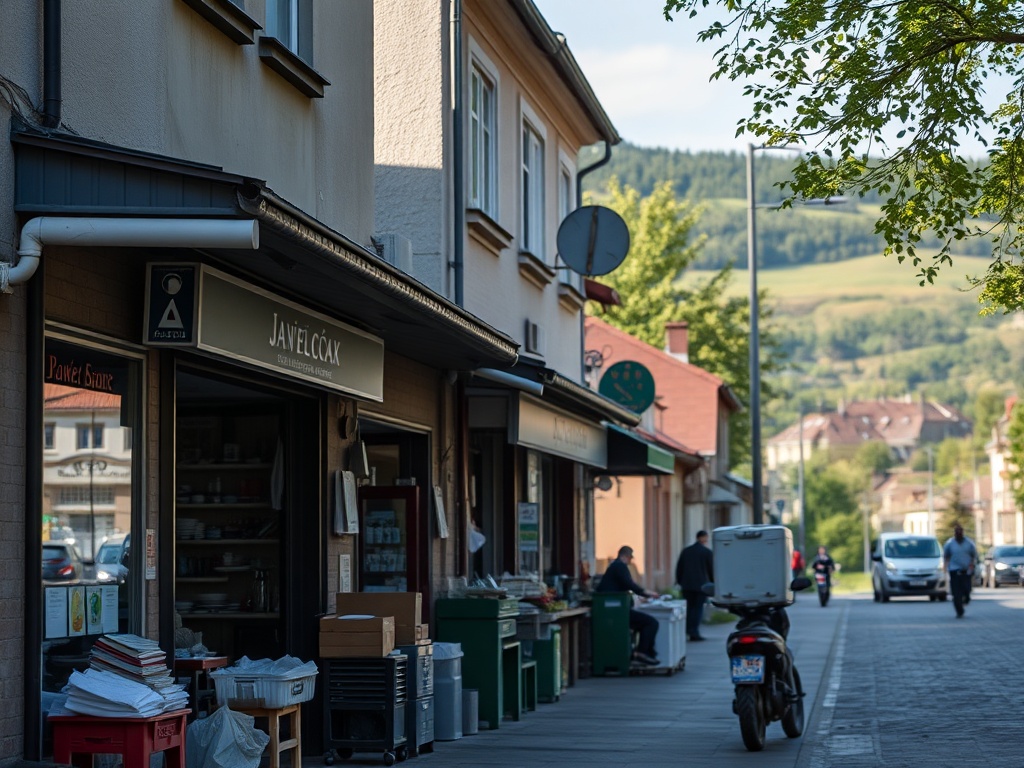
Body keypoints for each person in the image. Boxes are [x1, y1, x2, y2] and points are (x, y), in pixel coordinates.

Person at [596, 545, 660, 665]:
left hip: (614, 611)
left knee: (644, 623)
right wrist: (646, 593)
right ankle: (642, 653)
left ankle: (647, 653)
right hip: (619, 612)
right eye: (630, 558)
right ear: (625, 556)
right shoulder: (620, 566)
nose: (631, 561)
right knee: (651, 623)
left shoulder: (614, 566)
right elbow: (630, 584)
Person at [675, 530, 714, 641]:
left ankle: (688, 629)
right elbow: (711, 570)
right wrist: (713, 584)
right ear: (703, 538)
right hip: (701, 586)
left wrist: (680, 581)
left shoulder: (686, 551)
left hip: (687, 585)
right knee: (697, 609)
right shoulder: (707, 552)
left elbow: (679, 568)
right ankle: (694, 631)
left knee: (689, 608)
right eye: (706, 538)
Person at [943, 523, 977, 619]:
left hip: (966, 571)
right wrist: (945, 568)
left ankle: (966, 598)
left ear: (963, 533)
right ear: (954, 533)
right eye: (956, 532)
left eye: (960, 532)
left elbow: (974, 555)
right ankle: (959, 610)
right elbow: (946, 556)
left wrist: (972, 565)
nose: (958, 534)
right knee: (956, 593)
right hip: (954, 571)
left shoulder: (969, 543)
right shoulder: (950, 544)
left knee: (966, 590)